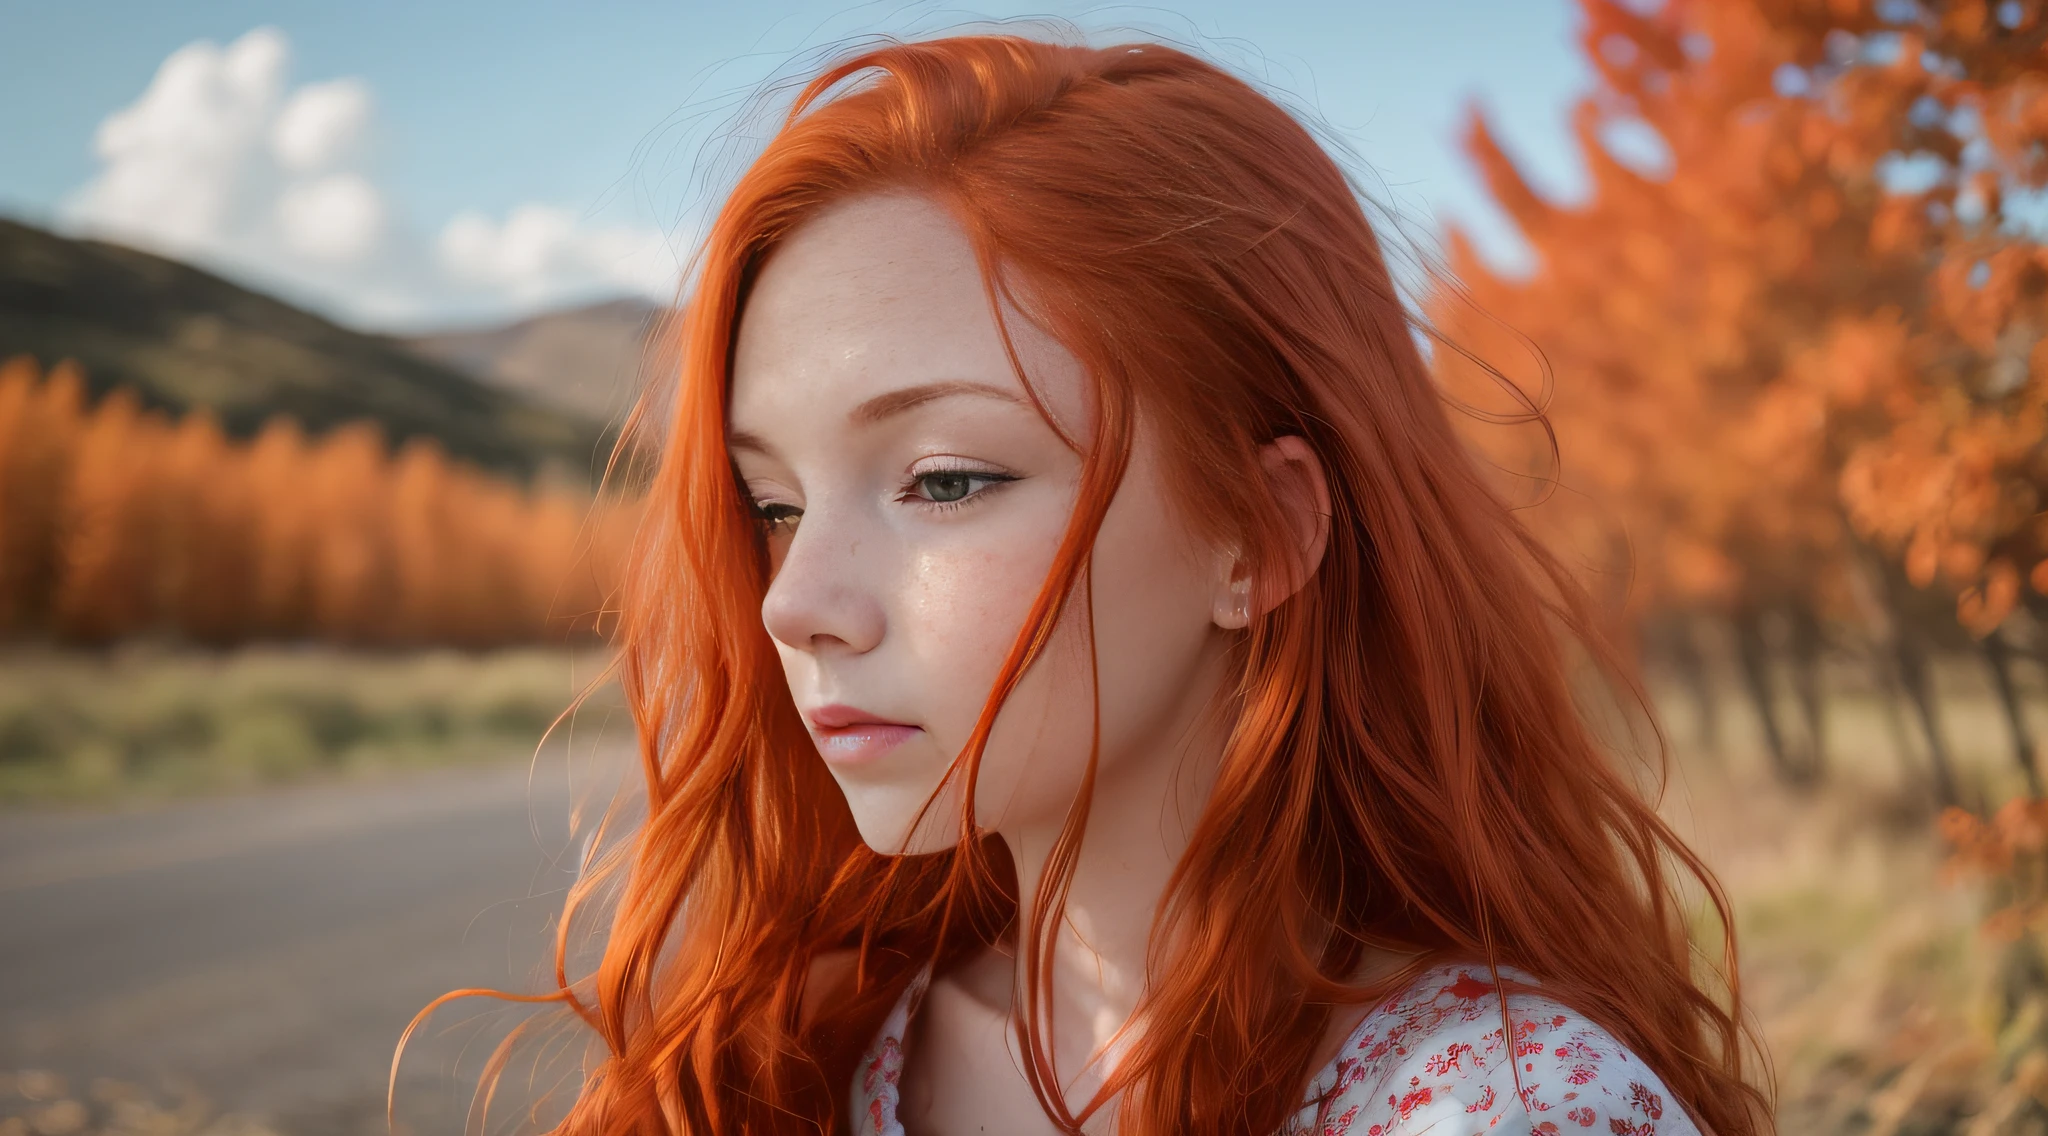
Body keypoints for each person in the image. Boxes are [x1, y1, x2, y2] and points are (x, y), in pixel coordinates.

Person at [420, 31, 1773, 1136]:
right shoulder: (789, 1064)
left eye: (944, 479)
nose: (796, 601)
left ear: (1262, 532)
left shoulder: (1503, 1109)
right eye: (773, 504)